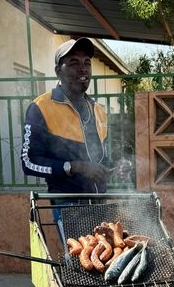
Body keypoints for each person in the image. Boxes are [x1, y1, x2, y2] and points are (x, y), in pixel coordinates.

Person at [21, 37, 111, 194]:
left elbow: (102, 158)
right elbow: (28, 162)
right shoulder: (41, 107)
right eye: (74, 63)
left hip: (99, 202)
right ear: (58, 72)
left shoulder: (98, 110)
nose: (83, 68)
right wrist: (75, 167)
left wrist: (116, 167)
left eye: (87, 63)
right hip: (66, 204)